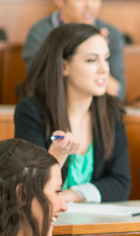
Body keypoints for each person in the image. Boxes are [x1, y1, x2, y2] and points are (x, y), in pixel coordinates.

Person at [15, 23, 131, 203]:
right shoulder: (31, 112)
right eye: (92, 60)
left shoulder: (112, 112)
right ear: (64, 67)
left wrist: (67, 196)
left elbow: (120, 184)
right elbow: (31, 187)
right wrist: (57, 155)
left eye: (106, 59)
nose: (104, 69)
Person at [22, 0, 125, 101]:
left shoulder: (111, 34)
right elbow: (36, 86)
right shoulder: (41, 32)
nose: (89, 5)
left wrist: (99, 50)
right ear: (60, 1)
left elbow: (117, 93)